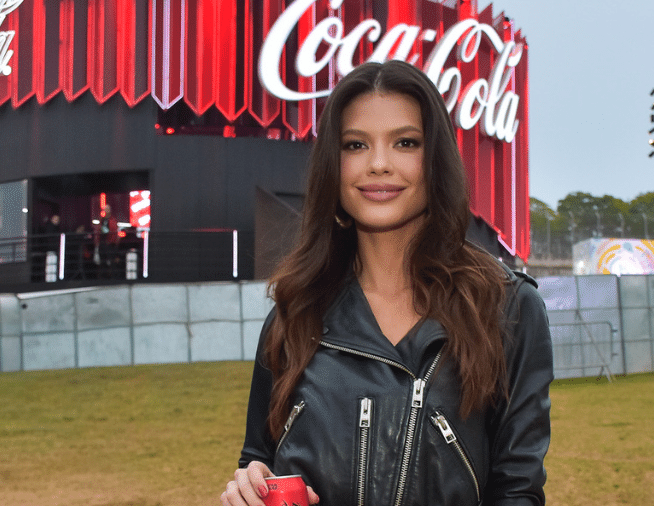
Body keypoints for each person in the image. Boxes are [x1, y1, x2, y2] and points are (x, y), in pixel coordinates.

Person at [221, 60, 553, 506]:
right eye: (355, 145)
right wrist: (248, 485)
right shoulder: (294, 314)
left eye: (405, 142)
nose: (378, 164)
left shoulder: (508, 309)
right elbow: (258, 458)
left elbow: (517, 491)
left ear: (434, 159)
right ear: (332, 166)